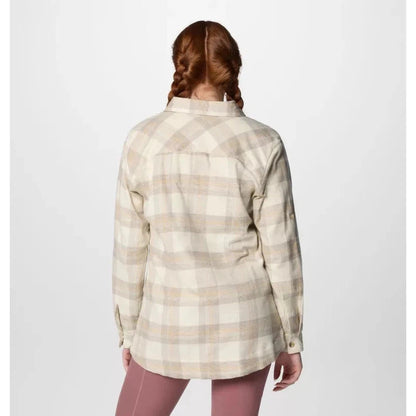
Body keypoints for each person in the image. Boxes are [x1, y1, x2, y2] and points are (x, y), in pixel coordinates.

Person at [112, 20, 304, 416]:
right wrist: (291, 339)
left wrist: (129, 332)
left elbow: (129, 251)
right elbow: (281, 252)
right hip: (244, 325)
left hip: (166, 322)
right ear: (233, 66)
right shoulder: (263, 142)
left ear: (179, 65)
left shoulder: (143, 140)